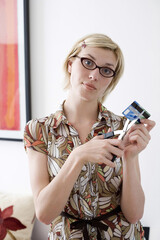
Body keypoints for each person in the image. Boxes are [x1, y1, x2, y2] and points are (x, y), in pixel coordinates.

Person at [24, 33, 155, 240]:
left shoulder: (122, 127)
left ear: (111, 80)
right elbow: (44, 214)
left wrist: (131, 157)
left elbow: (134, 214)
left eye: (106, 70)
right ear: (70, 64)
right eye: (87, 62)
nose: (94, 75)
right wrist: (78, 156)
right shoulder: (39, 130)